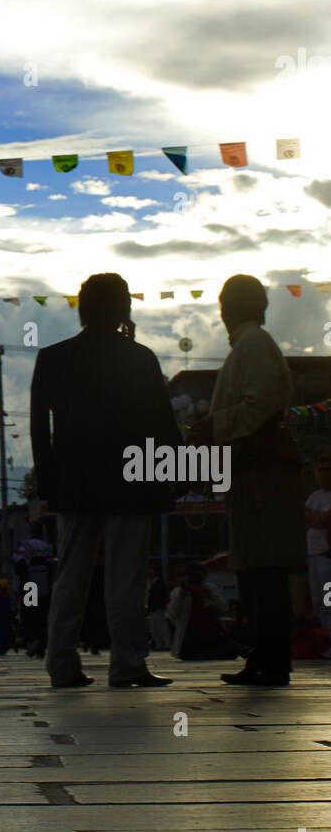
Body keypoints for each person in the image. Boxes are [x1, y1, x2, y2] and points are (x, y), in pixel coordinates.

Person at [31, 272, 181, 688]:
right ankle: (127, 664)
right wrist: (174, 474)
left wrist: (48, 481)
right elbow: (162, 425)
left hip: (74, 481)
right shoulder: (139, 357)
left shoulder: (53, 357)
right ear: (122, 308)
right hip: (132, 481)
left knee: (71, 576)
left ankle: (61, 663)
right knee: (127, 580)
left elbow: (39, 428)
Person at [190, 275, 304, 686]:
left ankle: (271, 659)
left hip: (262, 475)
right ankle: (265, 656)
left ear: (228, 308)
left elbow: (260, 406)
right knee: (255, 568)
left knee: (263, 568)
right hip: (254, 473)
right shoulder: (251, 346)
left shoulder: (253, 345)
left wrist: (213, 425)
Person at [165, 564, 234, 659]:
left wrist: (210, 595)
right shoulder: (178, 592)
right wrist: (180, 597)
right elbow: (171, 615)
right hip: (189, 637)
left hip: (211, 635)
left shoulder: (210, 589)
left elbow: (224, 609)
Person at [13, 524, 54, 657]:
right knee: (43, 615)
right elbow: (52, 566)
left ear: (30, 532)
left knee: (29, 615)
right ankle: (41, 643)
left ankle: (32, 641)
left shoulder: (24, 546)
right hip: (45, 586)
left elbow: (18, 565)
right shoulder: (47, 547)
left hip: (29, 586)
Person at [305, 455, 331, 658]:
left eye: (327, 469)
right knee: (318, 603)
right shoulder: (314, 497)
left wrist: (316, 518)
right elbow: (305, 518)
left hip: (327, 555)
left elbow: (324, 520)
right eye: (320, 470)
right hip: (312, 555)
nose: (323, 474)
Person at [145, 565, 171, 652]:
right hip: (155, 608)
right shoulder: (155, 582)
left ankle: (164, 643)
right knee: (156, 627)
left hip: (157, 608)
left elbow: (158, 596)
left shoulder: (158, 583)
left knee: (160, 626)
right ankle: (159, 643)